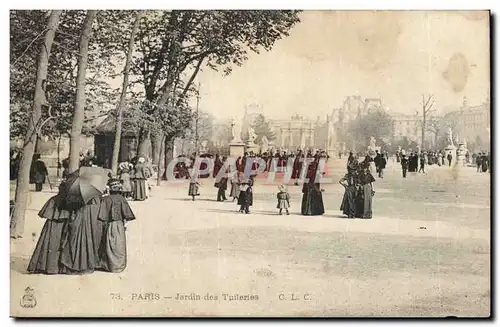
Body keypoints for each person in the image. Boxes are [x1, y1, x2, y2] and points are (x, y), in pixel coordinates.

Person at [27, 187, 72, 273]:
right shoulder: (69, 202)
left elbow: (45, 213)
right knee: (60, 245)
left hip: (51, 225)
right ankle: (57, 268)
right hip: (63, 225)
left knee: (47, 244)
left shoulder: (53, 199)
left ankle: (44, 266)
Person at [97, 179, 136, 273]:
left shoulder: (105, 199)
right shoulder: (122, 199)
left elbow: (101, 215)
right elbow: (127, 215)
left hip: (108, 224)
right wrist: (124, 224)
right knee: (119, 245)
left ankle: (108, 264)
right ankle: (119, 265)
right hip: (119, 224)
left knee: (108, 244)